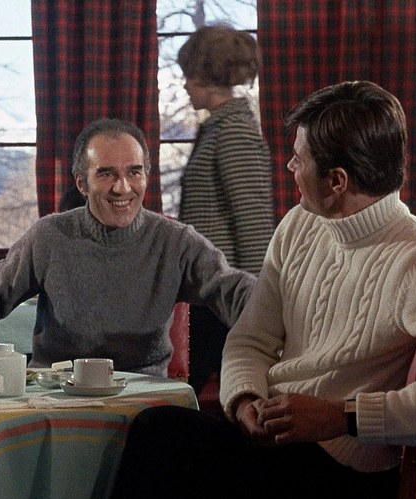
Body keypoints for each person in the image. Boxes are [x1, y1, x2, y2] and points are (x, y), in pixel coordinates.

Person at [111, 81, 416, 499]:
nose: (290, 166)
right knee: (155, 429)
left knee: (163, 448)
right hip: (276, 446)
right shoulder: (299, 225)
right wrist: (244, 400)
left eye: (299, 159)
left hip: (344, 469)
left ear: (336, 181)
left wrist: (343, 417)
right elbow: (251, 339)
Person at [0, 118, 256, 376]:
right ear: (81, 183)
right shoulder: (49, 237)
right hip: (56, 395)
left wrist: (284, 297)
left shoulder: (176, 242)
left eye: (134, 173)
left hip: (143, 405)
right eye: (106, 174)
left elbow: (234, 292)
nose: (123, 188)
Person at [177, 23, 275, 394]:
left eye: (190, 76)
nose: (185, 85)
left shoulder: (234, 130)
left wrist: (253, 306)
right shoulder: (217, 128)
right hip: (208, 292)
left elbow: (252, 223)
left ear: (207, 77)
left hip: (225, 297)